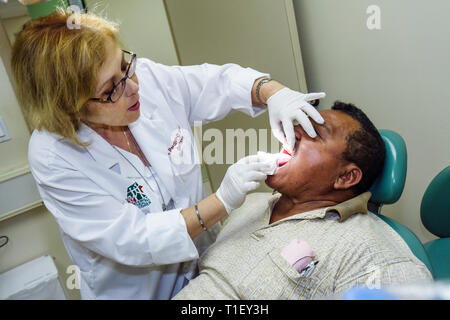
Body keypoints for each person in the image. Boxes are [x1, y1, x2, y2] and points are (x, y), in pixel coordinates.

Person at [10, 9, 325, 300]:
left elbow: (219, 83)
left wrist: (274, 93)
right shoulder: (54, 155)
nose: (133, 86)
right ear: (70, 106)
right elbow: (133, 238)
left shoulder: (145, 78)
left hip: (208, 270)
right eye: (110, 90)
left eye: (124, 65)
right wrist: (223, 200)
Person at [173, 102, 433, 300]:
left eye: (315, 133)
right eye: (301, 123)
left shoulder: (371, 253)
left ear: (346, 177)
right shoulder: (252, 203)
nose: (294, 129)